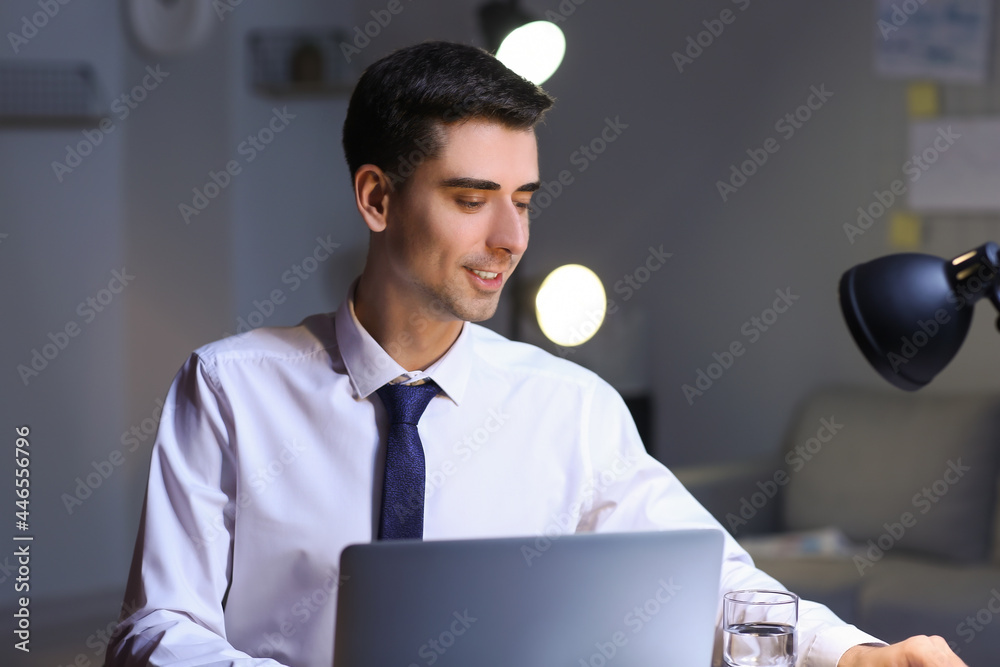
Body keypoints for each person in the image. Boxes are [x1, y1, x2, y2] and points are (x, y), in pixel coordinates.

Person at [105, 41, 967, 667]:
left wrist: (851, 654)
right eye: (473, 198)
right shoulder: (228, 387)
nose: (511, 237)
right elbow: (155, 630)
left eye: (523, 199)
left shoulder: (571, 405)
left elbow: (709, 579)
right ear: (376, 197)